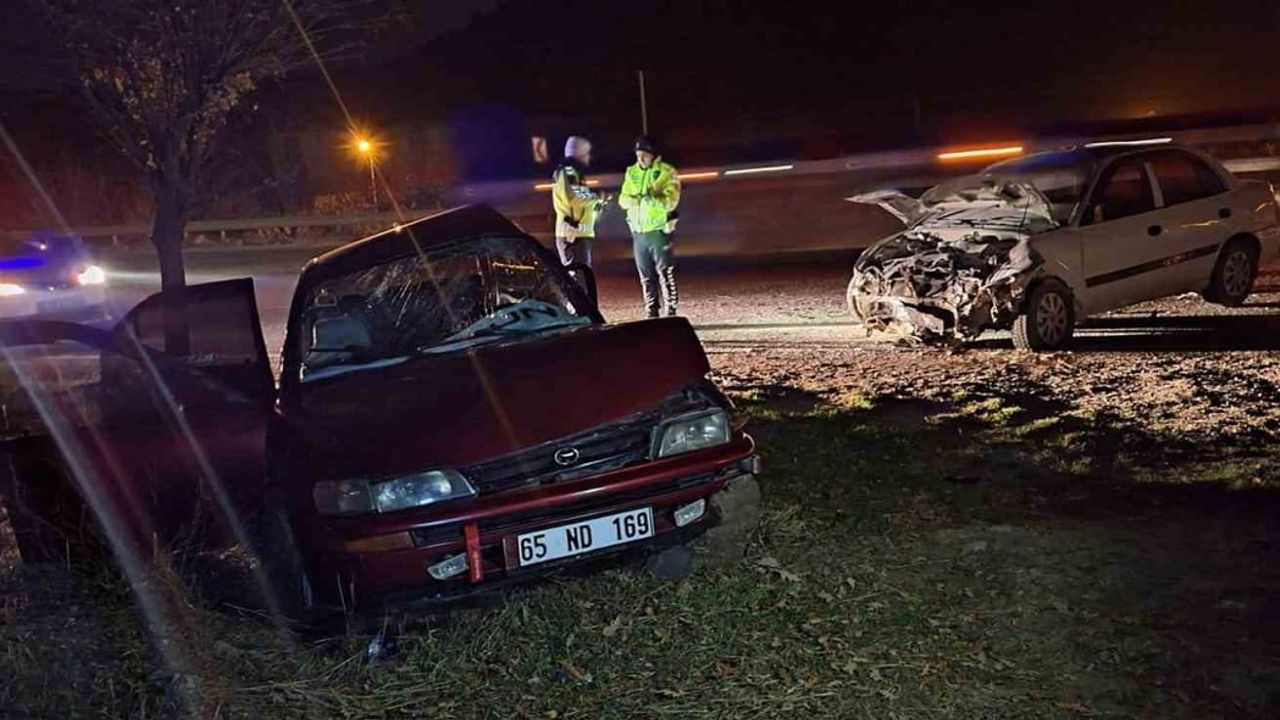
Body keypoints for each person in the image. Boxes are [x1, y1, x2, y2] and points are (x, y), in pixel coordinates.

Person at [619, 135, 681, 318]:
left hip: (658, 229)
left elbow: (671, 201)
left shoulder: (666, 172)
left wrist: (648, 199)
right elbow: (623, 200)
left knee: (665, 271)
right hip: (638, 231)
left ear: (653, 155)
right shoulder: (631, 172)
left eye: (644, 155)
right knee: (645, 274)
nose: (640, 159)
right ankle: (651, 310)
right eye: (638, 154)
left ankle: (671, 310)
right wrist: (632, 200)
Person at [551, 135, 605, 268]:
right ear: (579, 154)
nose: (589, 157)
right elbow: (575, 196)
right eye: (586, 153)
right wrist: (596, 197)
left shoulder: (572, 172)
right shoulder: (569, 171)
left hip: (576, 234)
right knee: (579, 279)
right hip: (573, 235)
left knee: (580, 278)